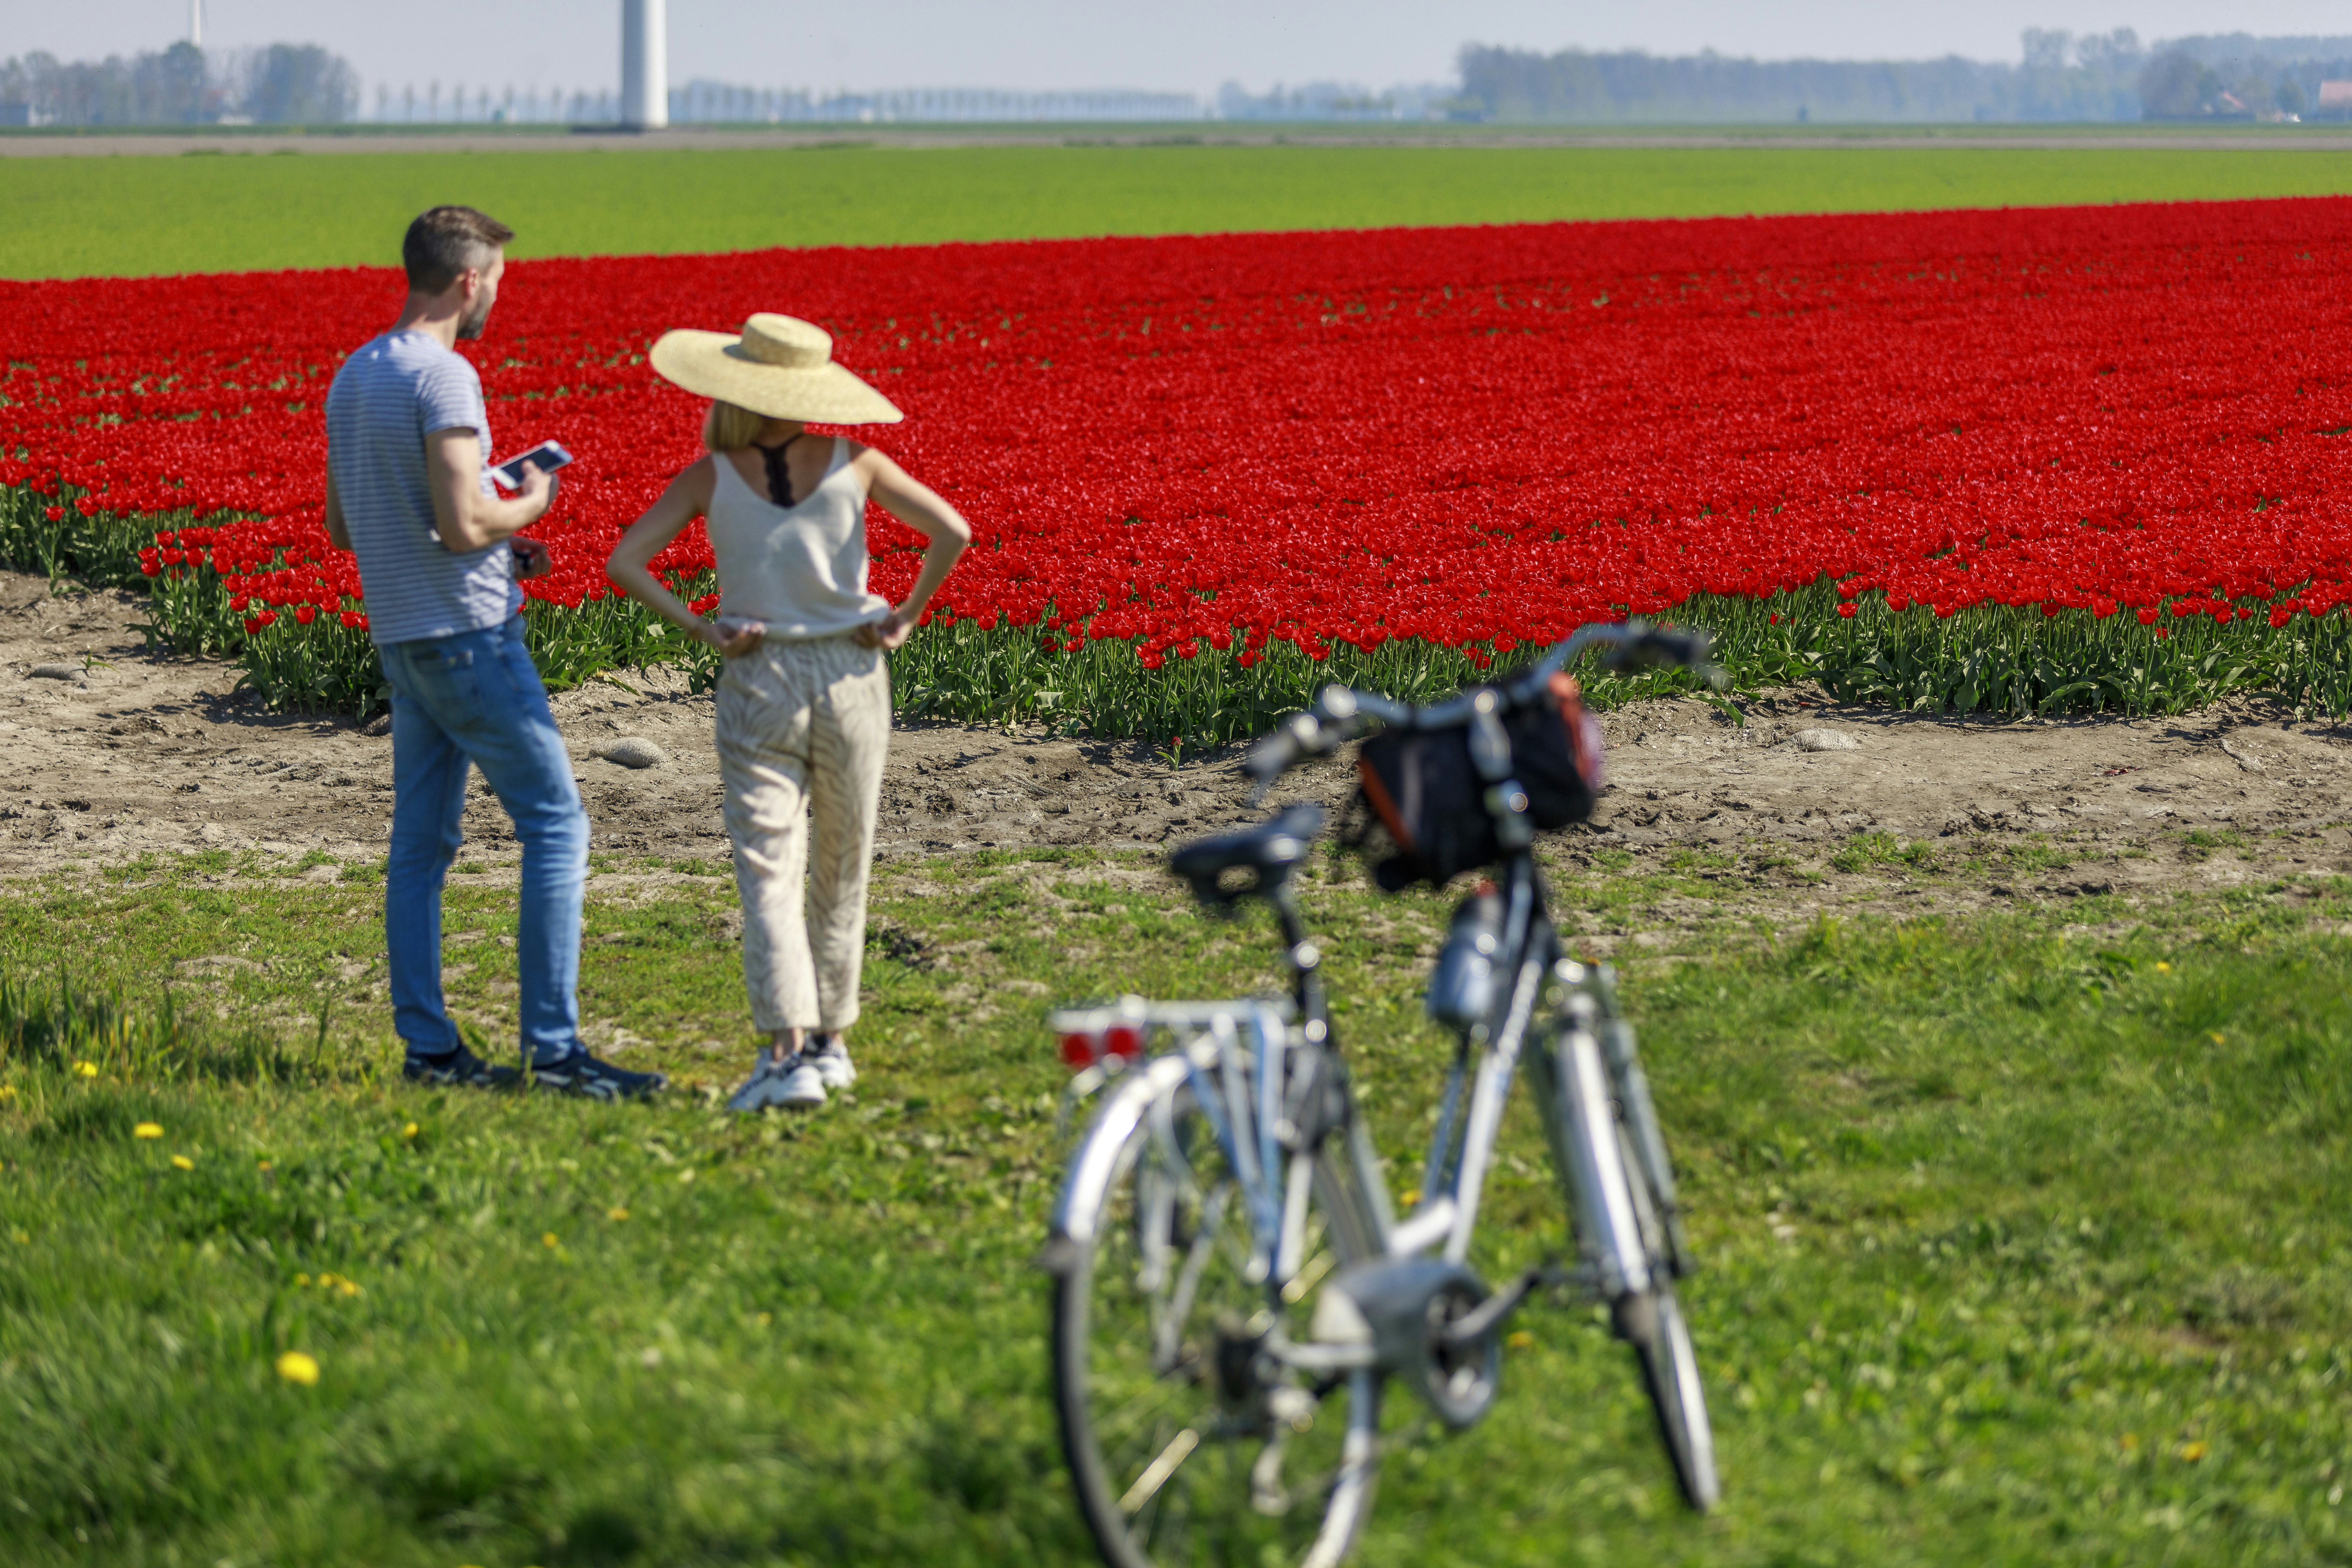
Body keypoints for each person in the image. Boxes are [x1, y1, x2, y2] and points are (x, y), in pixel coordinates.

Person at [323, 204, 664, 1100]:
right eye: (499, 283)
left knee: (420, 846)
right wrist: (530, 502)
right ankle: (554, 1052)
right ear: (469, 279)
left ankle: (430, 1050)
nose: (496, 301)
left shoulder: (355, 374)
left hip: (403, 638)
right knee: (557, 824)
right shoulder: (446, 376)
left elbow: (346, 525)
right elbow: (462, 521)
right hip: (471, 640)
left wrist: (493, 540)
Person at [605, 313, 969, 1111]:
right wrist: (906, 614)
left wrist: (701, 626)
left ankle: (784, 1055)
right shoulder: (858, 461)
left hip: (759, 675)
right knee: (843, 862)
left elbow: (625, 560)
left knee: (769, 866)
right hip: (851, 672)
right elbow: (953, 530)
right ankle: (833, 1046)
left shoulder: (710, 476)